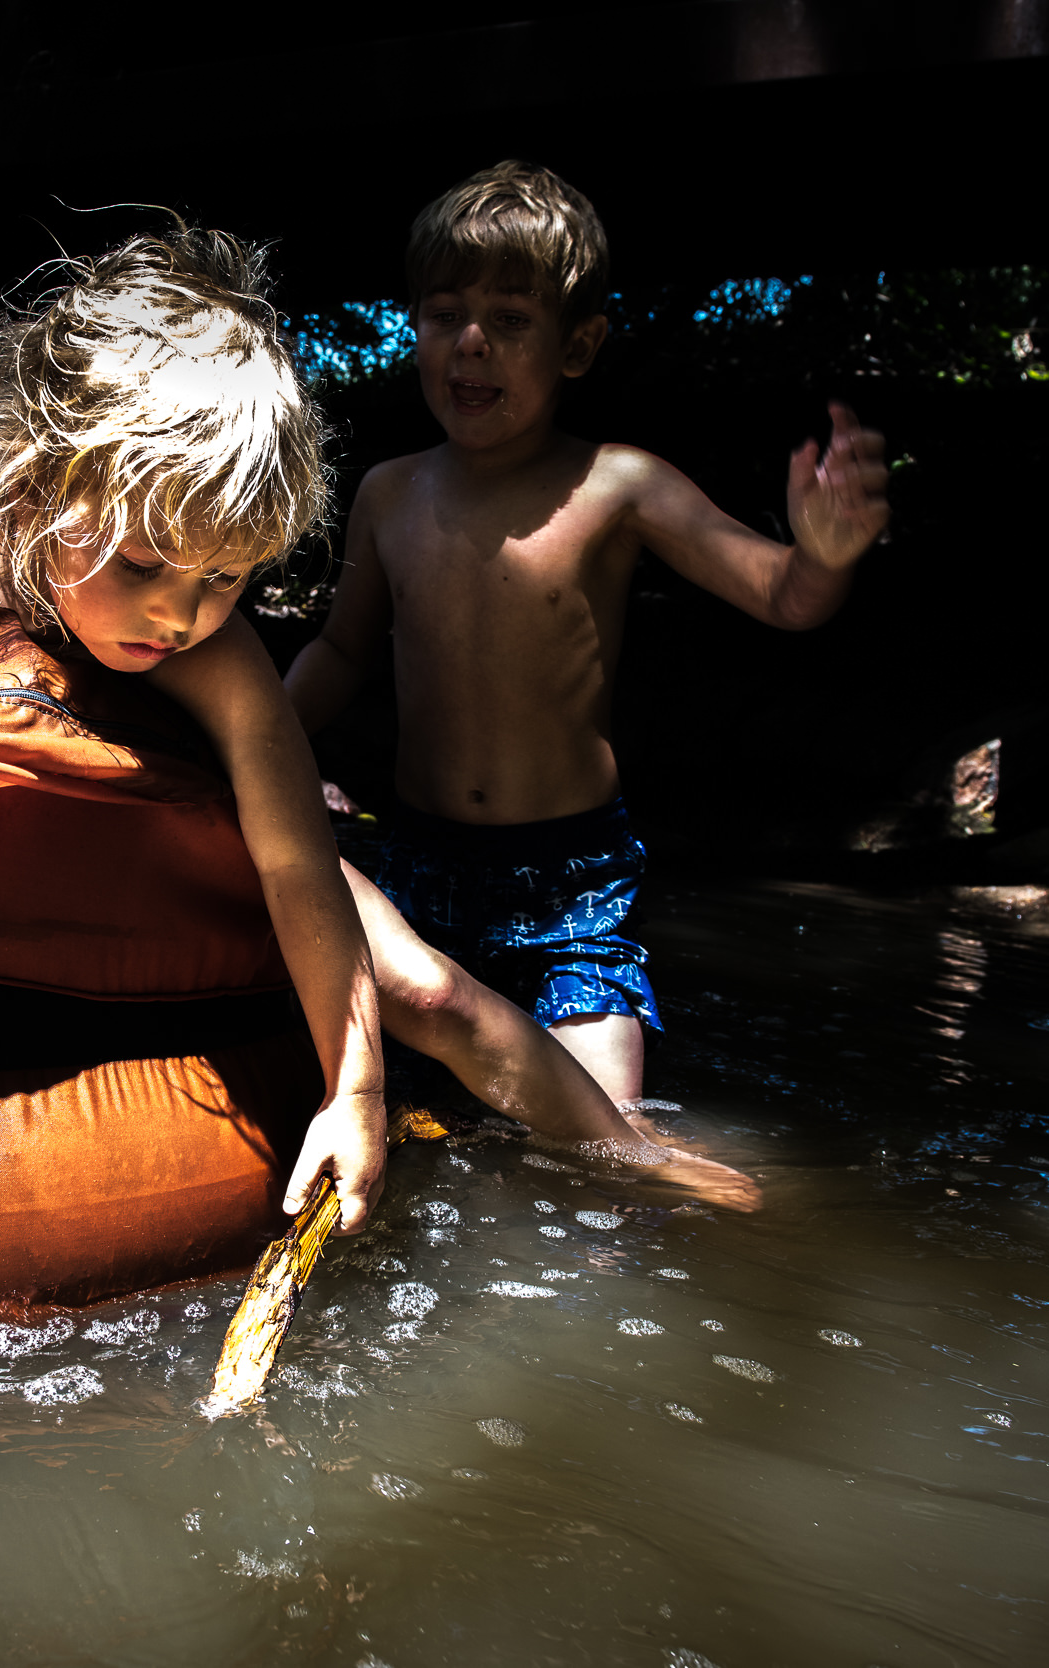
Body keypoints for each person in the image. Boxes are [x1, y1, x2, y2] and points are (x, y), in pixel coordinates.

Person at [0, 225, 760, 1218]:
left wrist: (351, 1092)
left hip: (183, 808)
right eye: (145, 562)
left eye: (224, 577)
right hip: (17, 793)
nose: (177, 613)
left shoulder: (219, 660)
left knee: (428, 992)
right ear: (36, 484)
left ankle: (637, 1157)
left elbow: (296, 870)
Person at [282, 161, 890, 1113]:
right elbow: (345, 652)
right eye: (444, 315)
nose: (471, 343)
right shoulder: (389, 493)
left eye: (511, 322)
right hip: (418, 868)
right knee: (396, 1125)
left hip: (574, 891)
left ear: (579, 346)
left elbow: (784, 597)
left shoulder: (620, 485)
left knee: (600, 1150)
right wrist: (255, 742)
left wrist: (822, 555)